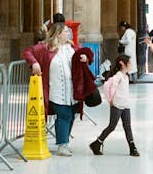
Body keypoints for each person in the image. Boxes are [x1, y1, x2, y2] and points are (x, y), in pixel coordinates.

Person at [22, 22, 97, 156]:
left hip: (73, 91)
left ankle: (65, 141)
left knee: (71, 114)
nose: (68, 33)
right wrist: (34, 63)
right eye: (65, 31)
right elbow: (28, 52)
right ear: (58, 33)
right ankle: (62, 145)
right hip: (55, 90)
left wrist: (85, 58)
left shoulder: (71, 47)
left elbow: (87, 55)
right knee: (64, 115)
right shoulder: (45, 48)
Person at [90, 54, 140, 157]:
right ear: (122, 64)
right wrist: (110, 100)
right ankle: (97, 143)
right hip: (117, 105)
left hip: (125, 105)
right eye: (129, 63)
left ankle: (132, 147)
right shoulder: (118, 76)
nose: (131, 65)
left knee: (127, 127)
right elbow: (108, 86)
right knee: (112, 126)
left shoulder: (126, 76)